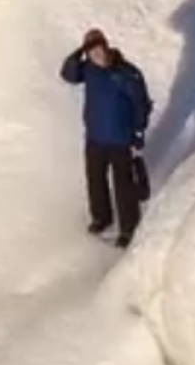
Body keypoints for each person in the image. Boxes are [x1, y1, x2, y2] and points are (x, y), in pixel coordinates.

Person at [59, 29, 152, 247]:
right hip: (95, 139)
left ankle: (128, 229)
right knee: (95, 181)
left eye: (98, 49)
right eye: (91, 51)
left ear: (106, 47)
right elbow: (68, 74)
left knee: (123, 186)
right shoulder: (88, 70)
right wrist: (79, 52)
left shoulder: (126, 72)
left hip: (121, 140)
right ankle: (101, 218)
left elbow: (141, 103)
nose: (96, 55)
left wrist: (139, 131)